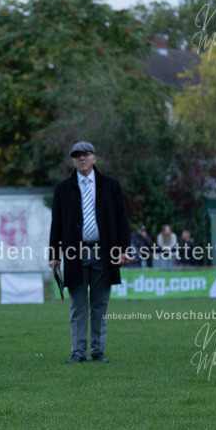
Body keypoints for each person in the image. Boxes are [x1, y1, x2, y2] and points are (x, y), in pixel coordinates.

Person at [48, 141, 130, 364]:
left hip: (105, 254)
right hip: (75, 254)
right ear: (73, 161)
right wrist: (54, 254)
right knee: (78, 307)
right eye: (77, 156)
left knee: (100, 306)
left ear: (94, 158)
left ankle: (97, 351)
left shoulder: (111, 186)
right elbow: (57, 224)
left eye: (85, 154)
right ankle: (78, 352)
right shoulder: (63, 189)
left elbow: (122, 219)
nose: (81, 159)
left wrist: (124, 249)